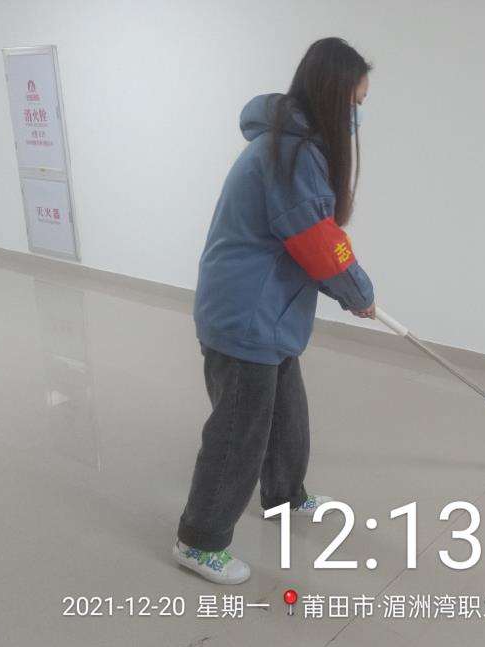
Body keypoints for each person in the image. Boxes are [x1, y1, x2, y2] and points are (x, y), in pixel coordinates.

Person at [172, 37, 376, 584]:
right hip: (247, 316)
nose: (357, 117)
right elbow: (317, 240)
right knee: (239, 433)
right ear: (332, 95)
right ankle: (199, 540)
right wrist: (358, 292)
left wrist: (352, 289)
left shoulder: (295, 145)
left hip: (270, 313)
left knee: (287, 414)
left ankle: (285, 496)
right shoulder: (291, 154)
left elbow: (315, 236)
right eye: (355, 103)